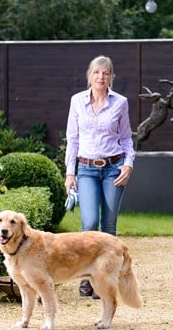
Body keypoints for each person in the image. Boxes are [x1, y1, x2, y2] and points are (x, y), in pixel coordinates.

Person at [64, 55, 135, 299]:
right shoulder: (76, 102)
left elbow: (126, 138)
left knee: (109, 226)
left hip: (113, 169)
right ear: (89, 75)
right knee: (90, 223)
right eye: (97, 72)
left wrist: (128, 165)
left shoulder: (120, 103)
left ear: (111, 77)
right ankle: (85, 278)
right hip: (85, 169)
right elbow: (72, 140)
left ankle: (104, 280)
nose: (101, 77)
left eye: (106, 73)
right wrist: (69, 173)